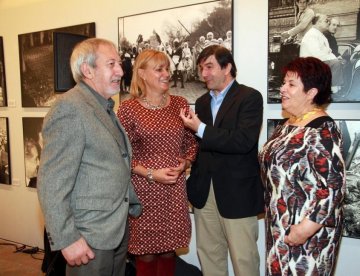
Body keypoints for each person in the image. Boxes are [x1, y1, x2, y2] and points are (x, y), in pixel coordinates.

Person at [37, 38, 141, 276]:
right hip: (88, 236)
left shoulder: (103, 107)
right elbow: (51, 182)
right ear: (87, 70)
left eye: (119, 63)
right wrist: (67, 239)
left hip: (113, 229)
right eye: (111, 63)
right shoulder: (70, 108)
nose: (120, 70)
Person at [179, 45, 264, 276]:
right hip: (204, 192)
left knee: (243, 259)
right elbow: (199, 146)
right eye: (201, 68)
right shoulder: (202, 102)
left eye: (209, 67)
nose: (203, 74)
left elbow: (243, 141)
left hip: (237, 193)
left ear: (227, 67)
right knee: (209, 255)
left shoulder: (250, 97)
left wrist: (201, 129)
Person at [258, 57, 346, 276]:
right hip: (280, 224)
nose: (282, 89)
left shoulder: (322, 129)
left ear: (311, 92)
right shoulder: (288, 124)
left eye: (291, 84)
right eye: (284, 83)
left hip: (307, 233)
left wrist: (306, 229)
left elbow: (334, 187)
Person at [117, 49, 198, 276]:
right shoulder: (128, 109)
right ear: (142, 73)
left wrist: (186, 163)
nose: (166, 74)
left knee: (169, 251)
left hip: (174, 191)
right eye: (159, 69)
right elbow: (121, 153)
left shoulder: (179, 104)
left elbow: (191, 143)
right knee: (146, 252)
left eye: (167, 69)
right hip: (144, 190)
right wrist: (151, 173)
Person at [300, 13, 344, 92]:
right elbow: (317, 54)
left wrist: (333, 56)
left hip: (318, 61)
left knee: (337, 62)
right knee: (336, 63)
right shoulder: (312, 35)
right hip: (310, 64)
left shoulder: (320, 35)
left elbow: (328, 52)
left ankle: (335, 89)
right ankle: (333, 90)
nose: (328, 23)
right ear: (318, 22)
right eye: (326, 21)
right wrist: (332, 57)